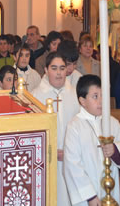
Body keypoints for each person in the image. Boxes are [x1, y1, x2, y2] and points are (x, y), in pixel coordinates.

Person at [64, 75, 120, 205]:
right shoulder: (75, 126)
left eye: (103, 95)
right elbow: (72, 165)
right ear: (82, 101)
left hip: (111, 191)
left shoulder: (112, 123)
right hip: (87, 198)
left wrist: (115, 151)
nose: (101, 101)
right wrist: (89, 196)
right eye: (95, 96)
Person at [32, 52, 80, 206]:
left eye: (62, 68)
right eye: (54, 68)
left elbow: (81, 128)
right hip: (46, 160)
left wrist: (70, 150)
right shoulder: (35, 96)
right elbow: (32, 133)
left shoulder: (75, 95)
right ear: (46, 70)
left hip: (71, 158)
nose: (59, 73)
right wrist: (49, 151)